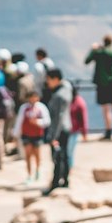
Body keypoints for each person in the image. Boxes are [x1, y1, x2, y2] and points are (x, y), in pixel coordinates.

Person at [84, 35, 112, 140]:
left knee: (106, 108)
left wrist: (93, 49)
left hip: (102, 83)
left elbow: (87, 61)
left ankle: (108, 131)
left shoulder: (98, 53)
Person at [42, 67, 74, 195]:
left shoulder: (59, 96)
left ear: (56, 79)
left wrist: (53, 136)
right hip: (66, 127)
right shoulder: (67, 89)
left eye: (49, 80)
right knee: (64, 155)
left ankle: (56, 182)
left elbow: (58, 118)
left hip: (59, 130)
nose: (47, 83)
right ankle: (64, 180)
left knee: (57, 157)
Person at [13, 91, 49, 183]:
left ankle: (37, 170)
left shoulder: (41, 107)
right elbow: (19, 121)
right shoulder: (24, 108)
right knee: (28, 154)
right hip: (26, 134)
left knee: (37, 154)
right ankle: (29, 174)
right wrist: (15, 134)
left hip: (37, 134)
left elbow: (47, 121)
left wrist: (37, 122)